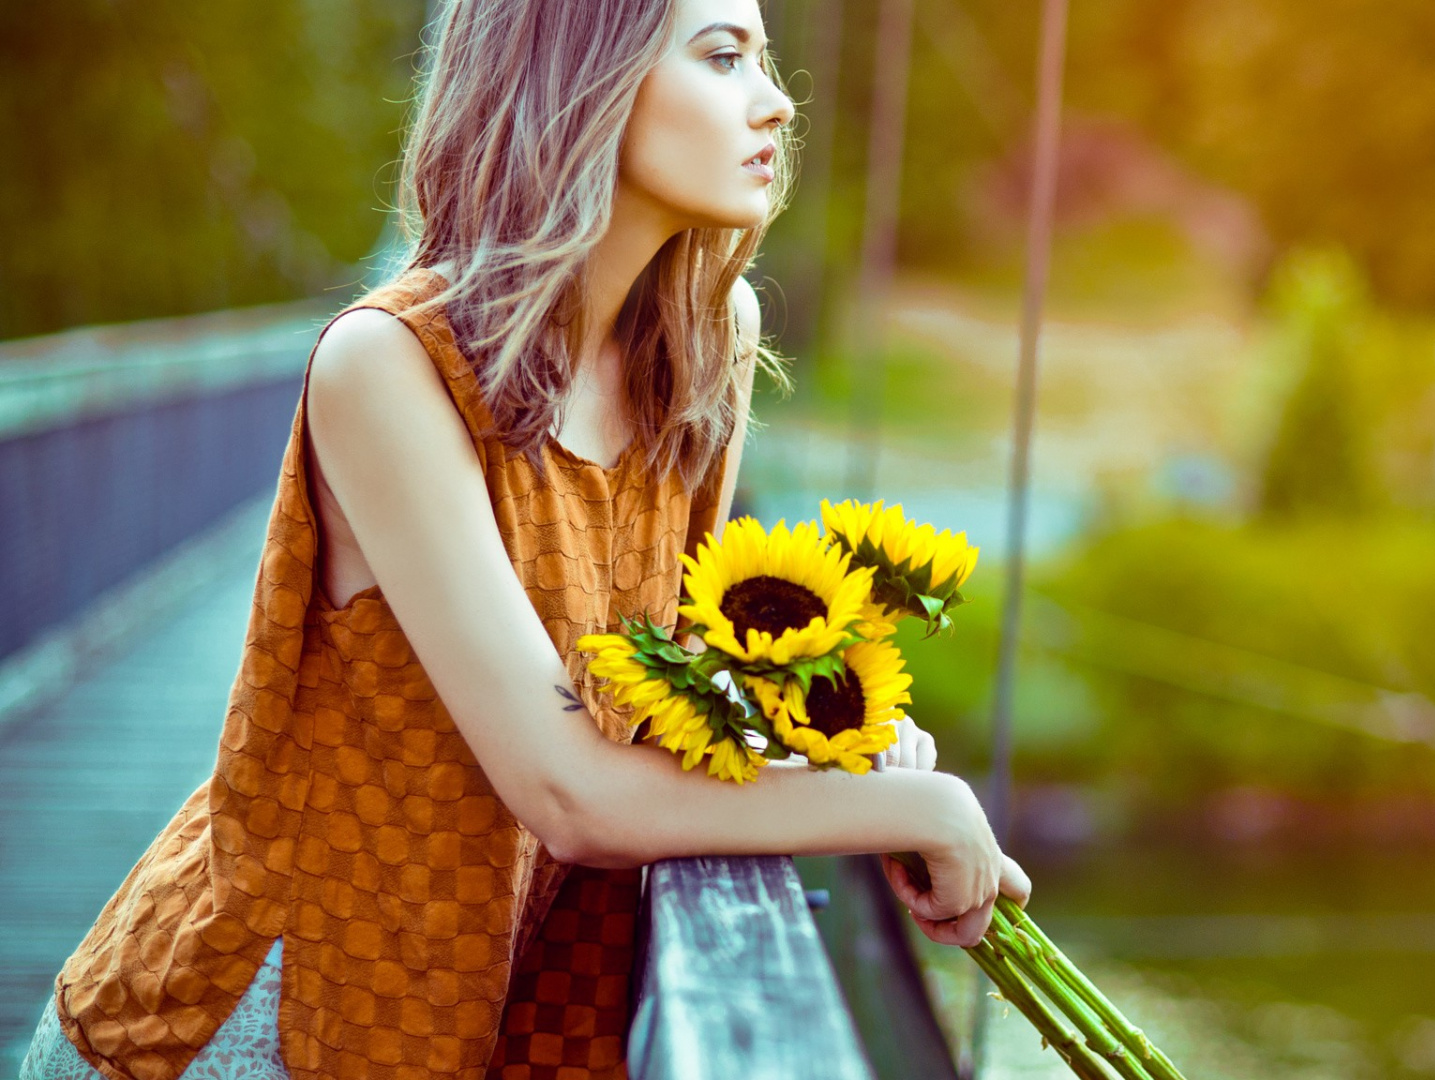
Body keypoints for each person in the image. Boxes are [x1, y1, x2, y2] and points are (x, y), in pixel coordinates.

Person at [20, 1, 1028, 1077]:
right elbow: (566, 788)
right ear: (580, 80)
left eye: (766, 58)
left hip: (479, 1002)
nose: (778, 100)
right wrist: (910, 807)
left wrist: (836, 746)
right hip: (264, 1021)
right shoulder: (388, 366)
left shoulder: (701, 350)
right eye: (725, 56)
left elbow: (652, 708)